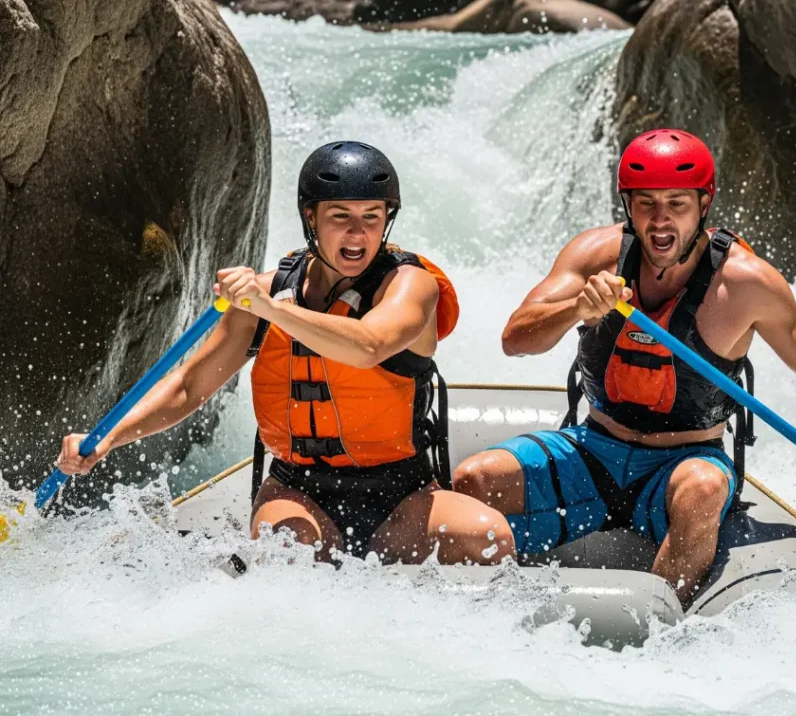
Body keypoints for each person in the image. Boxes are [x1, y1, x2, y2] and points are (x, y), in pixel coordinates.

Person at [453, 129, 796, 602]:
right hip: (593, 448)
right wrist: (576, 309)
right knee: (476, 478)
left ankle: (653, 626)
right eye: (646, 203)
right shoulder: (596, 255)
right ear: (627, 205)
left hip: (684, 461)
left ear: (704, 204)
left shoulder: (746, 283)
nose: (660, 220)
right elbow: (516, 339)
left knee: (703, 488)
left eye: (677, 203)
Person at [56, 141, 514, 565]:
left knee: (489, 538)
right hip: (300, 491)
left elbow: (369, 346)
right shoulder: (266, 293)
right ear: (310, 218)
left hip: (401, 492)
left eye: (372, 216)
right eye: (341, 216)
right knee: (290, 552)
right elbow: (189, 386)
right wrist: (108, 438)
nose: (358, 233)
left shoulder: (410, 285)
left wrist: (271, 310)